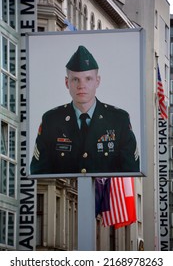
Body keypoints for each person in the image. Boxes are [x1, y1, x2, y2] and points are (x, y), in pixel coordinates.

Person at [30, 45, 140, 174]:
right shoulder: (51, 120)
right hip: (65, 194)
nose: (81, 86)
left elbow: (131, 171)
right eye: (75, 79)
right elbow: (39, 172)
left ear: (97, 81)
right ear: (67, 83)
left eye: (88, 79)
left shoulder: (118, 120)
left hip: (107, 194)